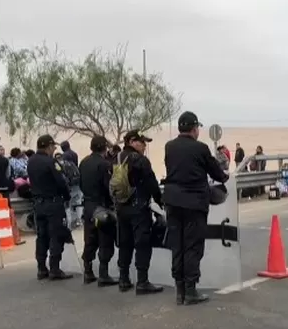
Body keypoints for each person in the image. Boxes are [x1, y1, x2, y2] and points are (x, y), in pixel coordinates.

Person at [164, 111, 229, 305]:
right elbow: (215, 171)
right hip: (194, 204)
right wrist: (224, 177)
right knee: (192, 246)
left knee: (177, 245)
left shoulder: (169, 146)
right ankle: (191, 291)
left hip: (173, 202)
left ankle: (180, 291)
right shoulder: (200, 148)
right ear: (194, 129)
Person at [110, 129, 164, 295]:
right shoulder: (140, 160)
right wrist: (159, 201)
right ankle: (142, 281)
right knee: (142, 243)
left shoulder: (116, 158)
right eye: (142, 142)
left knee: (125, 243)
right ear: (132, 142)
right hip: (139, 208)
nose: (144, 145)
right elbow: (152, 183)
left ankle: (123, 279)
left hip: (121, 207)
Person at [27, 134, 72, 280]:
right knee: (56, 235)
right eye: (53, 146)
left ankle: (41, 268)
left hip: (38, 204)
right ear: (48, 146)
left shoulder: (31, 161)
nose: (54, 149)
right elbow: (60, 182)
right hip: (53, 203)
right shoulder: (51, 162)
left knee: (42, 236)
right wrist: (67, 197)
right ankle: (54, 268)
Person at [78, 136, 118, 287]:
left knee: (90, 238)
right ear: (104, 147)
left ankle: (88, 271)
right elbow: (108, 187)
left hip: (88, 205)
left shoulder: (84, 162)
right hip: (102, 206)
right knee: (105, 240)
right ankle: (103, 274)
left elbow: (80, 183)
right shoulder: (104, 164)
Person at [55, 153, 82, 229]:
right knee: (77, 204)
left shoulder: (61, 166)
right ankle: (78, 220)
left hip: (69, 188)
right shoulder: (73, 164)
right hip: (77, 187)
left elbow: (63, 179)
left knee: (68, 206)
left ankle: (69, 224)